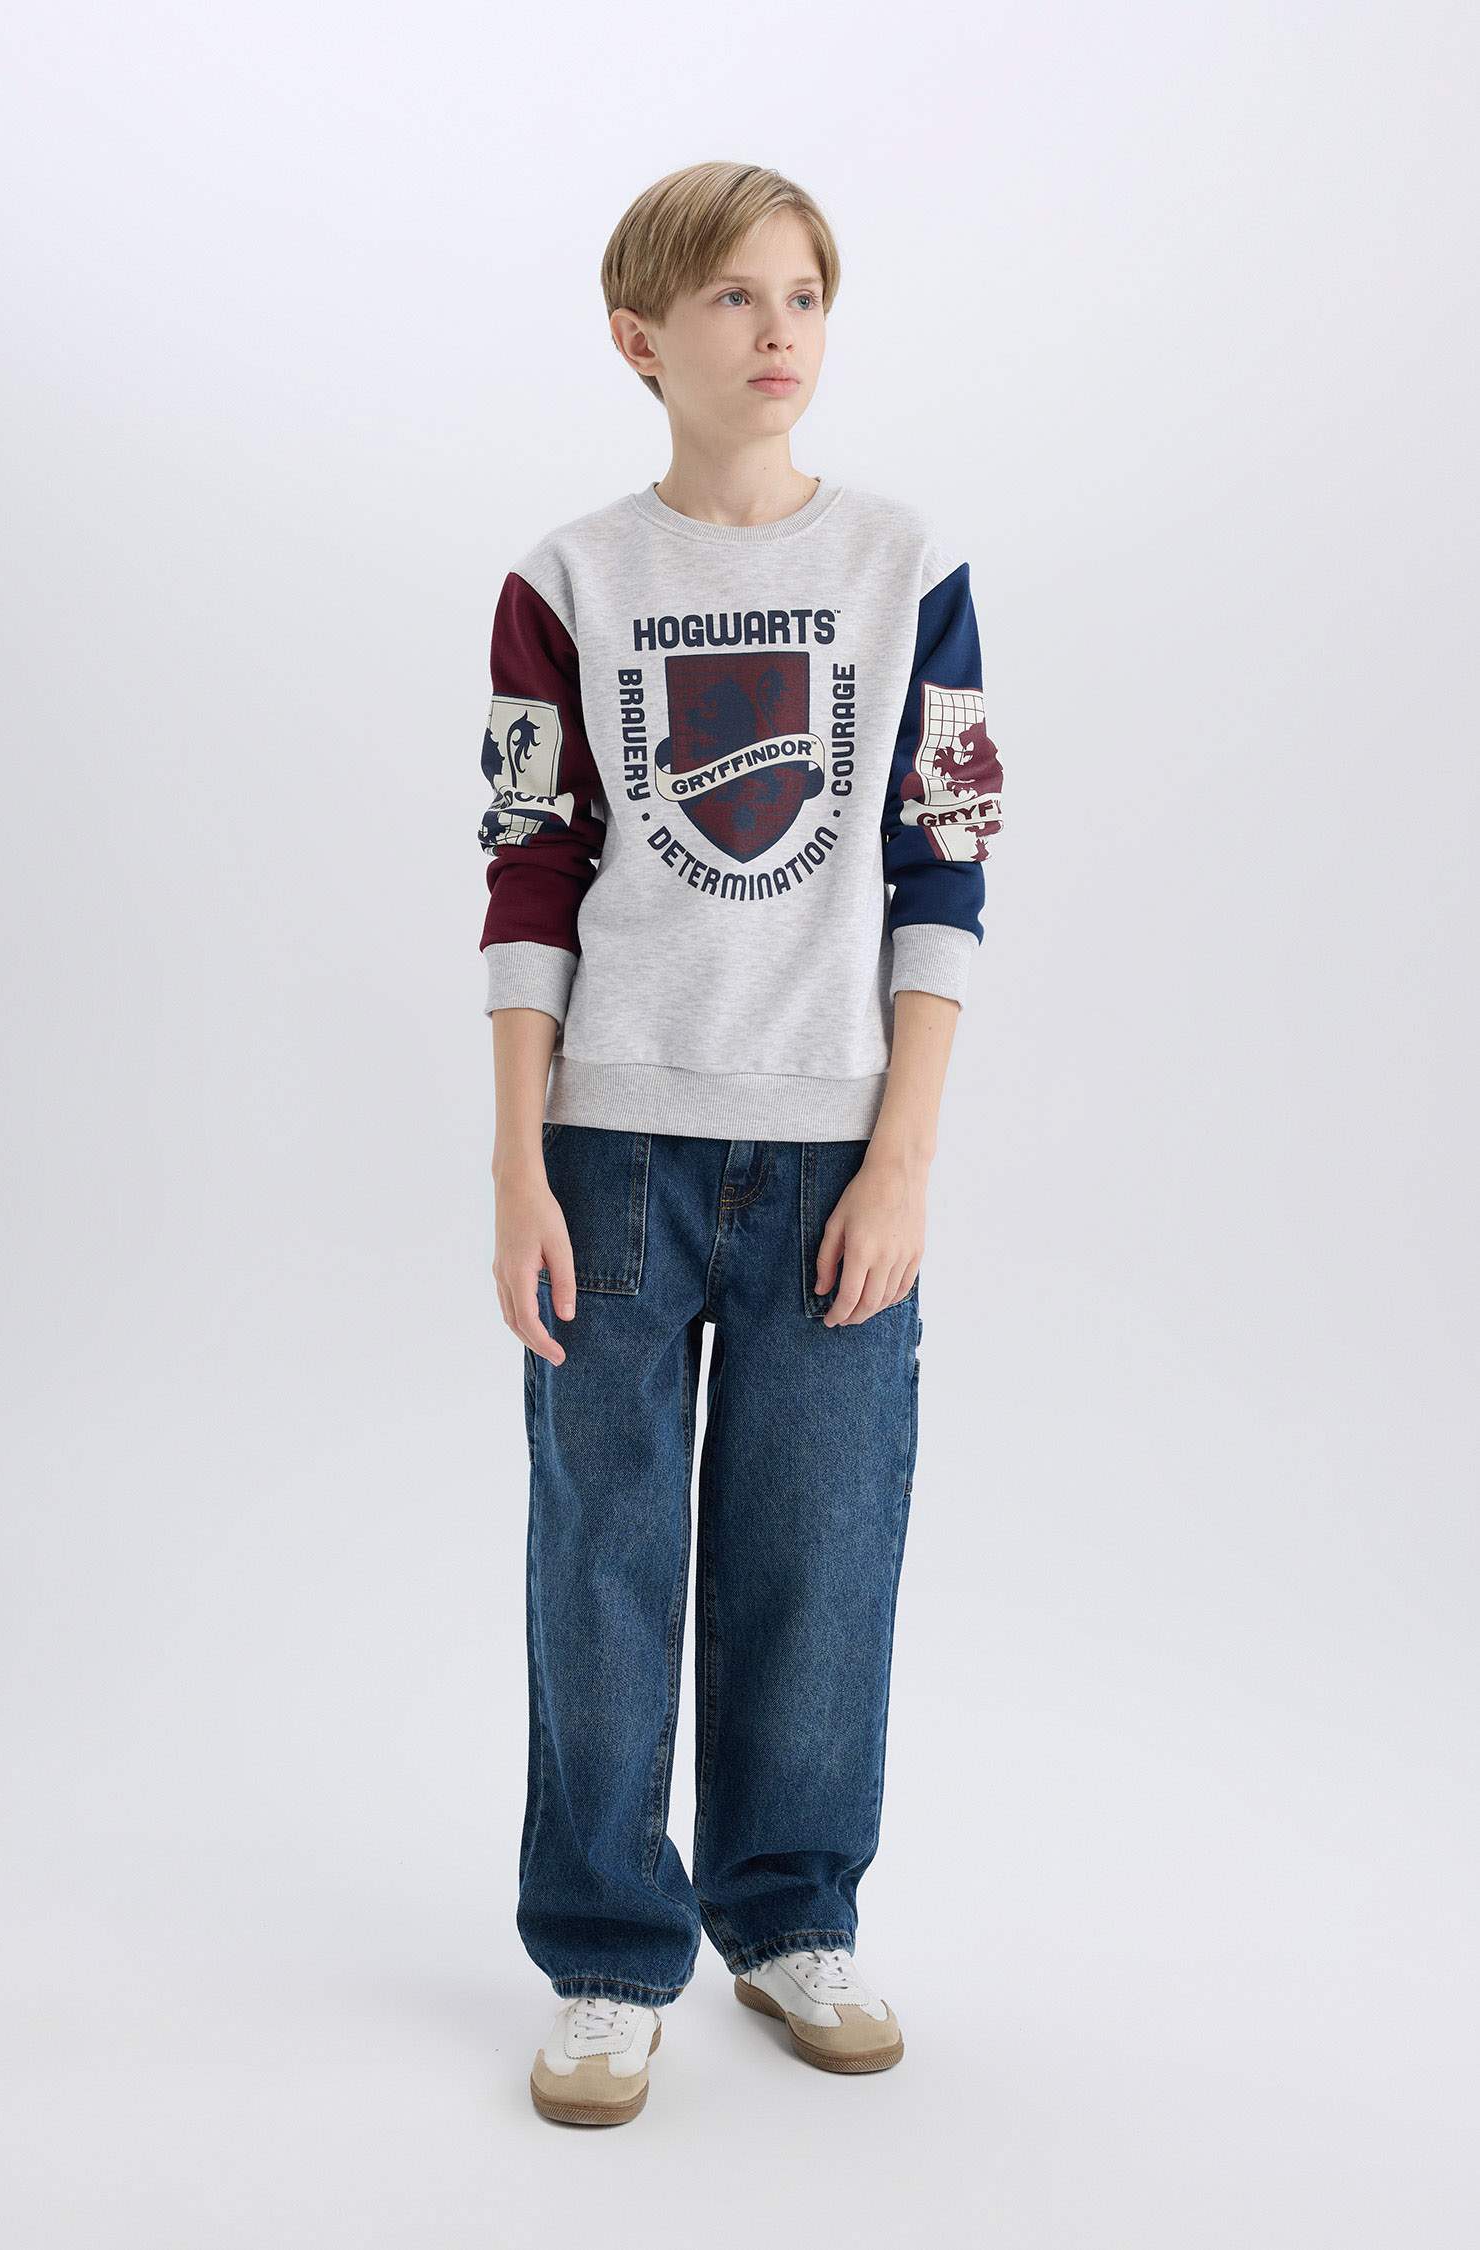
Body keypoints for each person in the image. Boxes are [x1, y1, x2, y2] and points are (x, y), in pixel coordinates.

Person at [478, 160, 1004, 2127]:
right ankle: (607, 1954)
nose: (778, 333)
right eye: (731, 299)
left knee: (820, 1550)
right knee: (601, 1562)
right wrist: (516, 1163)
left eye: (803, 296)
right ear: (641, 339)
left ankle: (790, 1916)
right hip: (611, 1154)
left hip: (832, 1164)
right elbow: (529, 875)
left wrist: (906, 1158)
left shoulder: (909, 568)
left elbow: (948, 861)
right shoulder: (566, 582)